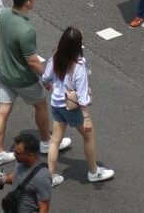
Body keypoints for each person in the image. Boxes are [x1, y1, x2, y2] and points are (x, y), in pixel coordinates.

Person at [0, 0, 71, 168]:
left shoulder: (3, 15)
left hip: (6, 75)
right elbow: (32, 61)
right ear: (27, 2)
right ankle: (45, 141)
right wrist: (48, 77)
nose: (34, 0)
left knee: (3, 112)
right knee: (40, 105)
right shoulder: (26, 30)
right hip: (23, 79)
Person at [42, 27, 114, 186]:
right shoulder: (78, 66)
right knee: (89, 136)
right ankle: (94, 172)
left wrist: (48, 85)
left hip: (56, 104)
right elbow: (82, 96)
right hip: (71, 107)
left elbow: (46, 77)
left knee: (55, 141)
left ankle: (51, 176)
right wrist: (86, 118)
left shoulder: (56, 55)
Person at [0, 133, 51, 213]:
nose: (14, 154)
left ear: (30, 154)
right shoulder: (21, 161)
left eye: (17, 153)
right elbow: (17, 177)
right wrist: (4, 180)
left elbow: (44, 208)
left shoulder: (42, 177)